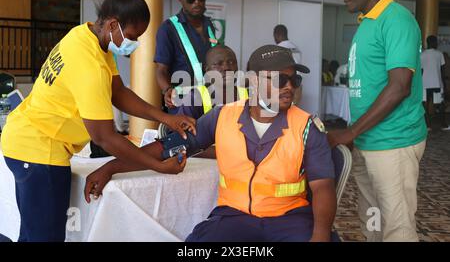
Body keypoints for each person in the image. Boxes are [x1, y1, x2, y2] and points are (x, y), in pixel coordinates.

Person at [0, 0, 195, 242]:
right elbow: (104, 137)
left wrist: (165, 118)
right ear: (113, 24)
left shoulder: (87, 36)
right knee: (43, 238)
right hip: (38, 149)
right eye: (132, 36)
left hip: (27, 139)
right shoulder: (88, 64)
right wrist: (156, 166)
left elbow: (118, 92)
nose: (134, 44)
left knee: (37, 233)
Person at [85, 45, 340, 242]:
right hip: (234, 217)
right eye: (278, 80)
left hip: (291, 219)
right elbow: (164, 148)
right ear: (253, 81)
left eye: (294, 80)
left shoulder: (308, 126)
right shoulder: (222, 116)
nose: (289, 87)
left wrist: (320, 236)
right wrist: (111, 167)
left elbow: (323, 188)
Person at [328, 0, 427, 242]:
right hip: (368, 141)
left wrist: (351, 131)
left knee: (397, 228)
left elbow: (400, 86)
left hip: (393, 143)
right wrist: (357, 134)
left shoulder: (396, 19)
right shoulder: (367, 22)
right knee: (372, 221)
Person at [154, 0, 217, 114]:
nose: (197, 3)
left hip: (211, 100)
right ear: (180, 0)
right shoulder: (168, 28)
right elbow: (161, 69)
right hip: (183, 103)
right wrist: (167, 90)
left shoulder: (209, 25)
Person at [176, 44, 247, 120]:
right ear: (208, 71)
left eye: (231, 62)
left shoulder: (247, 95)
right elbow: (181, 129)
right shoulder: (195, 98)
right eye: (219, 64)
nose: (226, 67)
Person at [421, 35, 449, 130]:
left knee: (425, 105)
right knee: (440, 104)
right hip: (437, 83)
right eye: (436, 42)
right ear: (434, 43)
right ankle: (444, 125)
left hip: (424, 84)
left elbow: (420, 72)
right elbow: (442, 70)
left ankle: (428, 125)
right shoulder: (439, 54)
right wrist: (444, 85)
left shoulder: (422, 55)